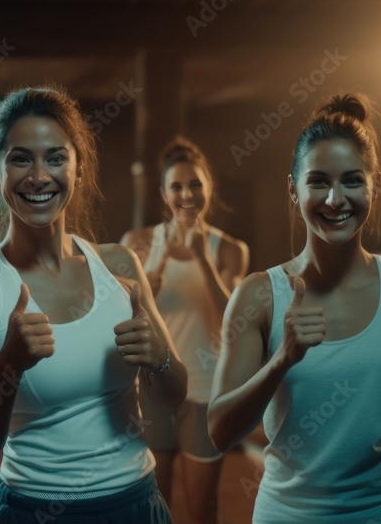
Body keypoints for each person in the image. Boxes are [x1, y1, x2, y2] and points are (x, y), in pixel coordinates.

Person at [208, 93, 381, 523]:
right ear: (292, 188)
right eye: (318, 181)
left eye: (352, 181)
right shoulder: (258, 295)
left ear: (374, 183)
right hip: (289, 515)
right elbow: (220, 432)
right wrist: (282, 360)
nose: (336, 199)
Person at [0, 85, 187, 523]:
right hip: (30, 510)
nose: (39, 176)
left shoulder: (119, 266)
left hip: (134, 505)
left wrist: (160, 358)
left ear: (78, 168)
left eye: (55, 157)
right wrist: (8, 367)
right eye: (21, 158)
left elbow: (175, 394)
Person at [120, 136, 249, 523]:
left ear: (209, 188)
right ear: (164, 193)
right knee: (154, 506)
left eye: (195, 184)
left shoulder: (230, 250)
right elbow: (121, 322)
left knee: (202, 508)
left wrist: (201, 260)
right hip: (153, 388)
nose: (186, 194)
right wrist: (148, 291)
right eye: (176, 186)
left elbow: (233, 323)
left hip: (205, 389)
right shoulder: (137, 244)